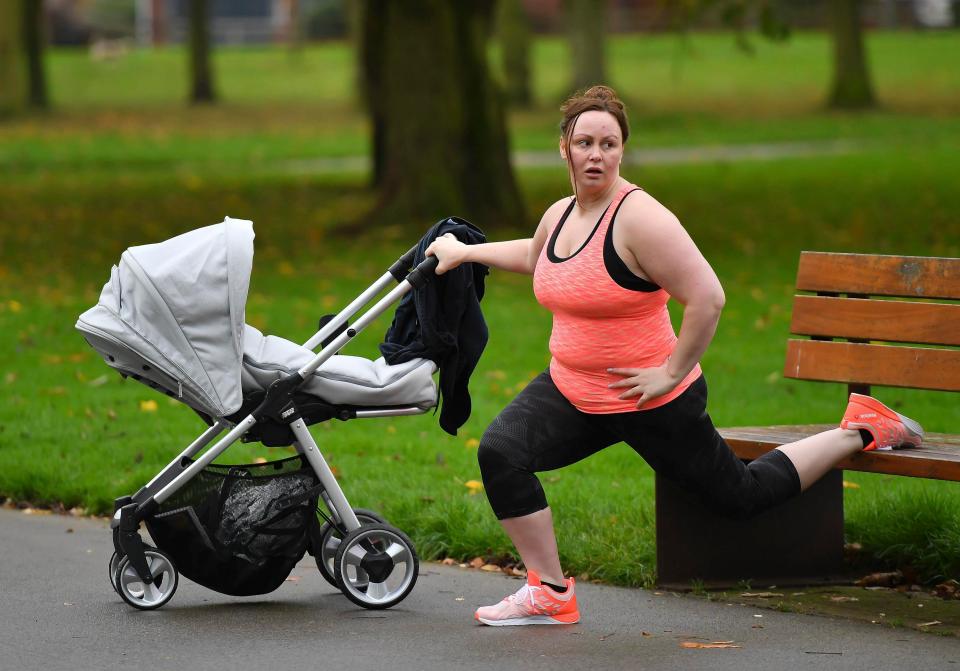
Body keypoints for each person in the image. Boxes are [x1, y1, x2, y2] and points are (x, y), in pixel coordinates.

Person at [425, 85, 924, 627]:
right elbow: (535, 253)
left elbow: (708, 297)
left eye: (609, 144)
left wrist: (670, 373)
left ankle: (861, 428)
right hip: (571, 389)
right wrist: (465, 251)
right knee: (500, 453)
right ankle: (549, 590)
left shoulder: (641, 220)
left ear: (622, 151)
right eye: (585, 142)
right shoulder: (560, 214)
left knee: (740, 496)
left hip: (651, 397)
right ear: (563, 148)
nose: (597, 154)